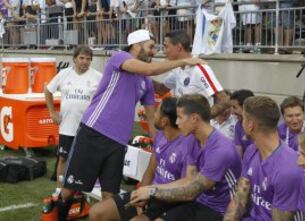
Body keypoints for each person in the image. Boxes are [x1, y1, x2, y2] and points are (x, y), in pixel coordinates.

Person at [57, 29, 205, 221]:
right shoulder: (120, 57)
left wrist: (160, 144)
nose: (153, 52)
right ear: (136, 45)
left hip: (118, 143)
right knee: (69, 189)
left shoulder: (147, 83)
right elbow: (151, 69)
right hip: (94, 131)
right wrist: (185, 61)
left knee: (109, 196)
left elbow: (153, 119)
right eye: (151, 47)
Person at [130, 94, 242, 221]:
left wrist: (152, 192)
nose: (177, 122)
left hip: (219, 211)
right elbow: (188, 180)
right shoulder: (193, 139)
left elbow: (191, 192)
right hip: (198, 203)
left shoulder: (220, 150)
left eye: (179, 117)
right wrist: (148, 189)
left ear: (194, 118)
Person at [89, 97, 197, 221]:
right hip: (149, 195)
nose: (153, 114)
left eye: (157, 111)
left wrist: (151, 193)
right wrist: (141, 196)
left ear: (164, 121)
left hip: (170, 203)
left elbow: (185, 189)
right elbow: (150, 170)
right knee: (97, 213)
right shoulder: (161, 136)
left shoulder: (188, 146)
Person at [223, 96, 303, 221]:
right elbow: (239, 199)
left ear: (250, 125)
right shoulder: (251, 151)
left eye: (243, 118)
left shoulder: (287, 169)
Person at [45, 46, 102, 195]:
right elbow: (48, 90)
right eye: (82, 58)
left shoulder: (98, 77)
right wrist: (52, 112)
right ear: (74, 59)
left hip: (88, 128)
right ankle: (59, 189)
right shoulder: (64, 74)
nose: (85, 62)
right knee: (63, 158)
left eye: (88, 59)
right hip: (67, 127)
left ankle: (82, 189)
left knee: (86, 160)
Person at [153, 30, 227, 106]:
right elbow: (161, 90)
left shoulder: (200, 68)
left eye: (166, 46)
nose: (164, 51)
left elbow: (223, 99)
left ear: (179, 47)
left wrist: (205, 117)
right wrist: (142, 74)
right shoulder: (177, 68)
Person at [230, 89, 254, 156]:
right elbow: (238, 150)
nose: (232, 112)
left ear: (246, 108)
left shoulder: (262, 125)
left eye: (235, 107)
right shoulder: (239, 125)